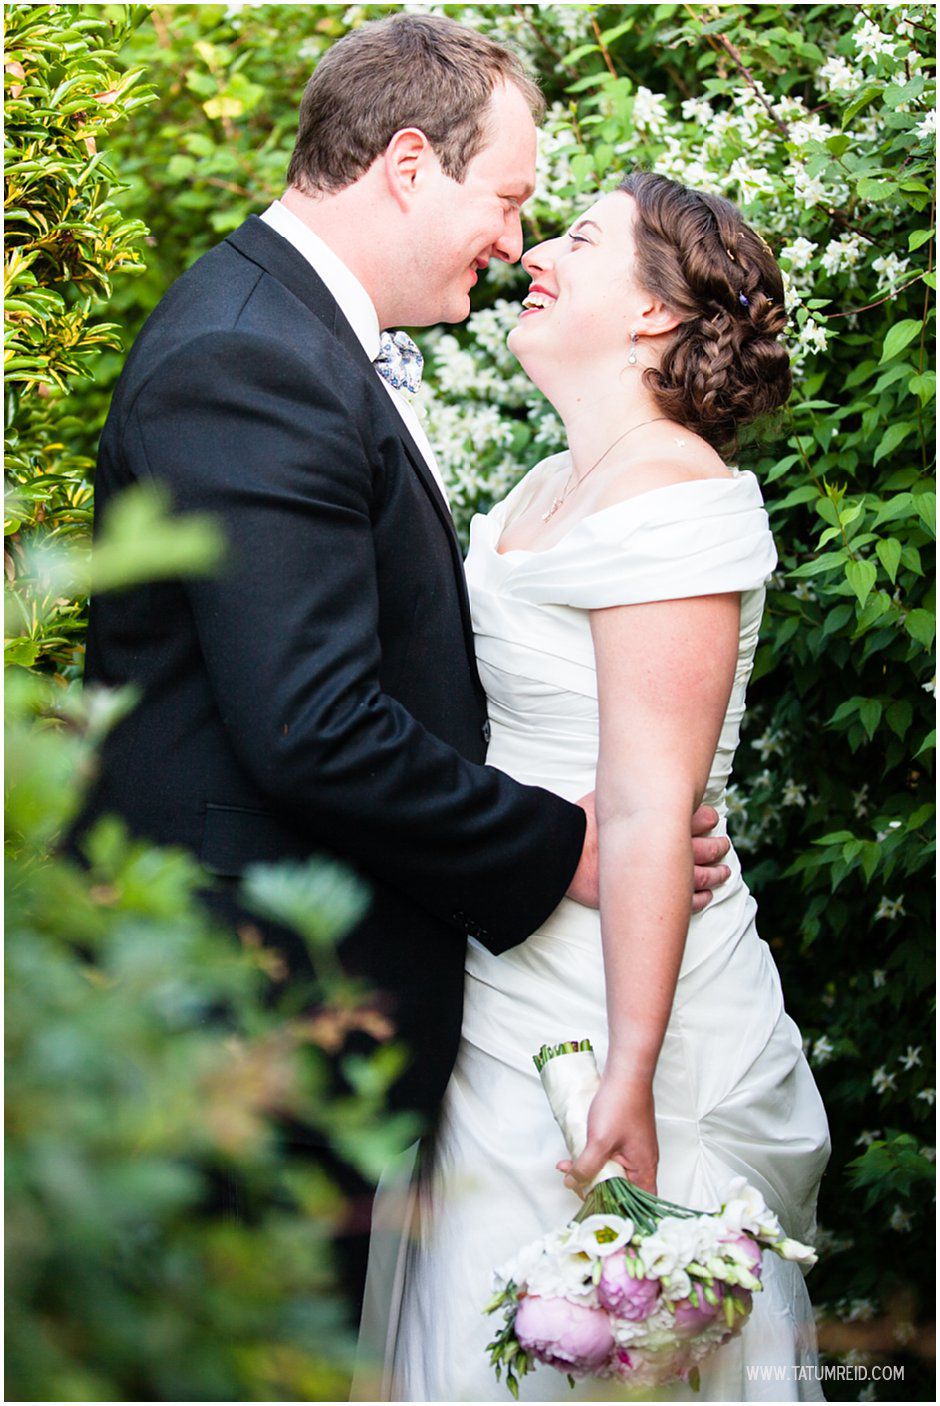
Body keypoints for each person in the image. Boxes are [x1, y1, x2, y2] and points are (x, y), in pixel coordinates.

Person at [78, 14, 730, 1316]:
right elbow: (314, 725)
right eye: (506, 200)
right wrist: (563, 846)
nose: (512, 242)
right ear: (410, 164)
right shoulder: (254, 356)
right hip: (246, 1018)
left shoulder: (301, 336)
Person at [373, 174, 831, 1402]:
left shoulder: (673, 494)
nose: (534, 253)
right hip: (505, 960)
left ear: (651, 314)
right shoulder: (545, 487)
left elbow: (642, 807)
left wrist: (627, 1072)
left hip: (628, 999)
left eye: (577, 237)